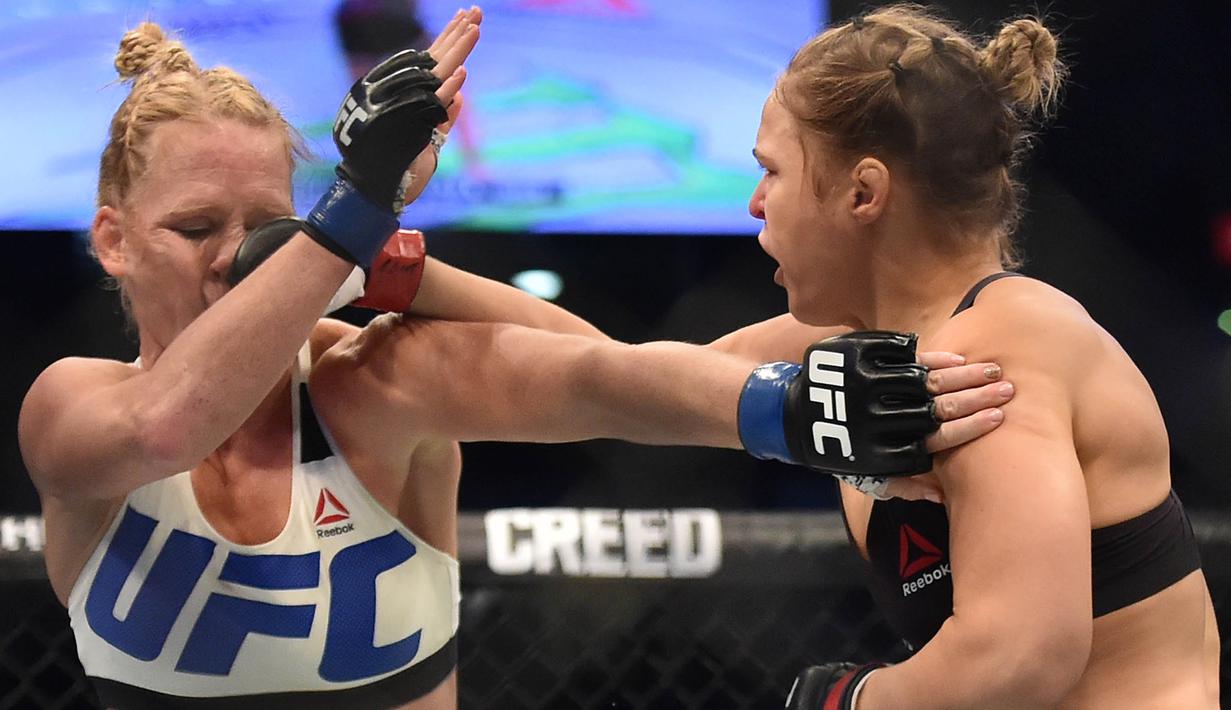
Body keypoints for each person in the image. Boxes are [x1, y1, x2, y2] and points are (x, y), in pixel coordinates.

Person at [17, 8, 1013, 709]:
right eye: (195, 227)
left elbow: (599, 376)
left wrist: (788, 409)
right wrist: (351, 219)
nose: (238, 257)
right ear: (112, 240)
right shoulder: (72, 410)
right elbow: (169, 423)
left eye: (266, 225)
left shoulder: (370, 383)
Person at [713, 5, 1220, 708]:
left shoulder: (998, 355)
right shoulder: (860, 350)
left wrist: (847, 701)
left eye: (771, 170)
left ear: (863, 192)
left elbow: (1018, 654)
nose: (754, 204)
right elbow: (616, 369)